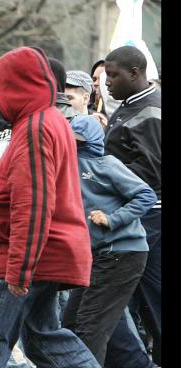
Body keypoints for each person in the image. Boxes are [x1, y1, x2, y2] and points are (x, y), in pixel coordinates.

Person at [0, 47, 98, 368]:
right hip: (45, 253)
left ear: (16, 87)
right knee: (44, 339)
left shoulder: (35, 129)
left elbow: (33, 204)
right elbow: (12, 189)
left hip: (26, 257)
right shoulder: (45, 121)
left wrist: (19, 268)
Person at [60, 115, 156, 365]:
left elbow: (145, 195)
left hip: (122, 254)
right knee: (70, 325)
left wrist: (113, 219)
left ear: (91, 142)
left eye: (79, 142)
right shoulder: (68, 166)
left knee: (89, 328)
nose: (75, 146)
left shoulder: (105, 164)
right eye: (71, 141)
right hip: (99, 257)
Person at [103, 45, 162, 365]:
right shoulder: (130, 104)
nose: (107, 81)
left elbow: (151, 171)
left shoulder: (150, 110)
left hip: (147, 218)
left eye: (113, 75)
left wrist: (103, 178)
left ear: (135, 73)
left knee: (153, 300)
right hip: (137, 217)